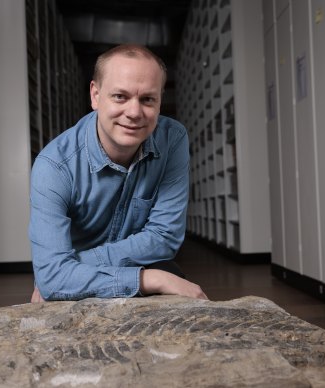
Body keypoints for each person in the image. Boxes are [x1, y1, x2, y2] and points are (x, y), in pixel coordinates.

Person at [29, 44, 207, 302]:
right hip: (82, 284)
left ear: (160, 101)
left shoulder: (173, 139)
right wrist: (149, 278)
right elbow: (54, 280)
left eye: (147, 99)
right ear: (95, 95)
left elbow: (165, 237)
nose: (134, 113)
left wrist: (66, 269)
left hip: (90, 269)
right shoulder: (53, 166)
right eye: (120, 97)